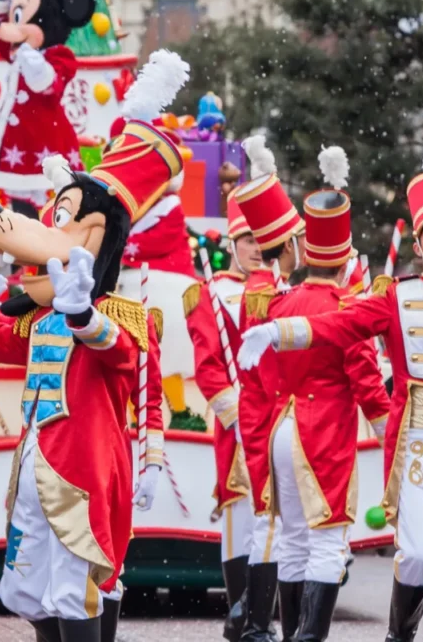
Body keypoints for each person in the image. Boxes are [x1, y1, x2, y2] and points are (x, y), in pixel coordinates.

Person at [0, 52, 187, 641]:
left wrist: (81, 313)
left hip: (83, 467)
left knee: (76, 586)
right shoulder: (42, 315)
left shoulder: (114, 314)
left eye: (66, 218)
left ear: (97, 240)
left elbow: (120, 356)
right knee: (32, 588)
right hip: (35, 461)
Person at [237, 138, 423, 642]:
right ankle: (400, 635)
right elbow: (339, 324)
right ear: (417, 245)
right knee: (419, 553)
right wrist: (278, 333)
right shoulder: (396, 296)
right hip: (415, 440)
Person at [258, 147, 390, 642]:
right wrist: (387, 429)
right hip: (323, 431)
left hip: (280, 427)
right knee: (330, 540)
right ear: (346, 259)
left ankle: (293, 634)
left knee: (292, 540)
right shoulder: (344, 308)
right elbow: (364, 377)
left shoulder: (281, 302)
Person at [231, 134, 308, 642]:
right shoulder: (265, 294)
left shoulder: (271, 289)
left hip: (272, 412)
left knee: (284, 525)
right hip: (267, 412)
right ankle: (258, 623)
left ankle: (260, 620)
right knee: (273, 523)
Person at [183, 189, 261, 640]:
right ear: (232, 244)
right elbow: (208, 366)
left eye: (260, 240)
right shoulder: (209, 295)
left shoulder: (278, 291)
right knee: (242, 517)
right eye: (247, 240)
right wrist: (239, 414)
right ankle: (240, 612)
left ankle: (262, 613)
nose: (254, 249)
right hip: (238, 424)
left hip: (279, 421)